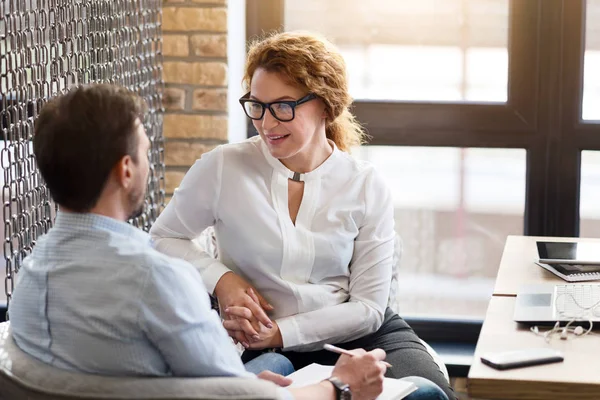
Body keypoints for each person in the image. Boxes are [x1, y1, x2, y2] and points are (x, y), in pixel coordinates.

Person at [7, 84, 390, 400]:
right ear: (126, 170)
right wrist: (339, 385)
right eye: (144, 151)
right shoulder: (157, 279)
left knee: (274, 367)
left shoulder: (30, 273)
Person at [150, 31, 455, 400]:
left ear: (325, 106)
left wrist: (281, 331)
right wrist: (222, 279)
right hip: (260, 344)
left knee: (428, 394)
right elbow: (163, 238)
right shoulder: (223, 167)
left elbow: (369, 308)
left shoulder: (365, 184)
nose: (266, 123)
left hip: (357, 335)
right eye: (257, 105)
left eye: (283, 106)